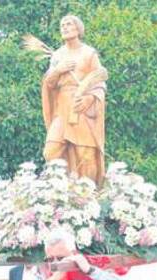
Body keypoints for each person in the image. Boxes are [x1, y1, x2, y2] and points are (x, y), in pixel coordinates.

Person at [41, 15, 107, 184]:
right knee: (51, 152)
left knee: (86, 156)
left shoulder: (89, 53)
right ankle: (60, 190)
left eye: (68, 24)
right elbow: (49, 83)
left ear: (78, 29)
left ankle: (88, 196)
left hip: (80, 108)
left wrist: (90, 99)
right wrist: (58, 70)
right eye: (62, 25)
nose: (64, 27)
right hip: (62, 110)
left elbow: (100, 80)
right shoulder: (57, 55)